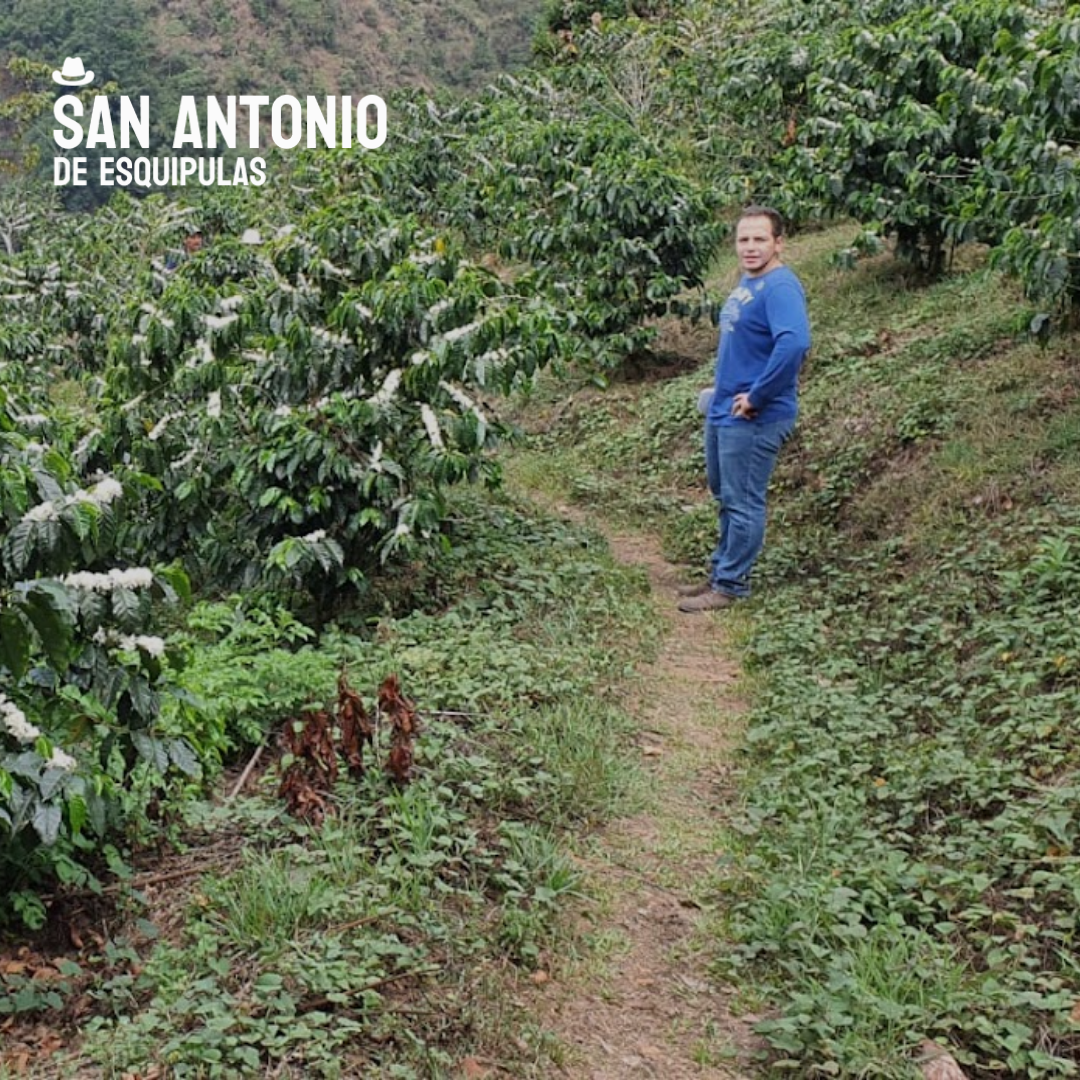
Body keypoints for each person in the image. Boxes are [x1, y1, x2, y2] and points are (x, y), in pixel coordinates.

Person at [678, 205, 811, 613]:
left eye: (760, 239)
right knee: (725, 495)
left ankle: (731, 584)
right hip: (724, 410)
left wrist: (756, 395)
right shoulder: (748, 283)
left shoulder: (780, 287)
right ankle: (722, 569)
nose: (750, 247)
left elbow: (794, 344)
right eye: (743, 239)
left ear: (778, 243)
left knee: (743, 500)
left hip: (755, 416)